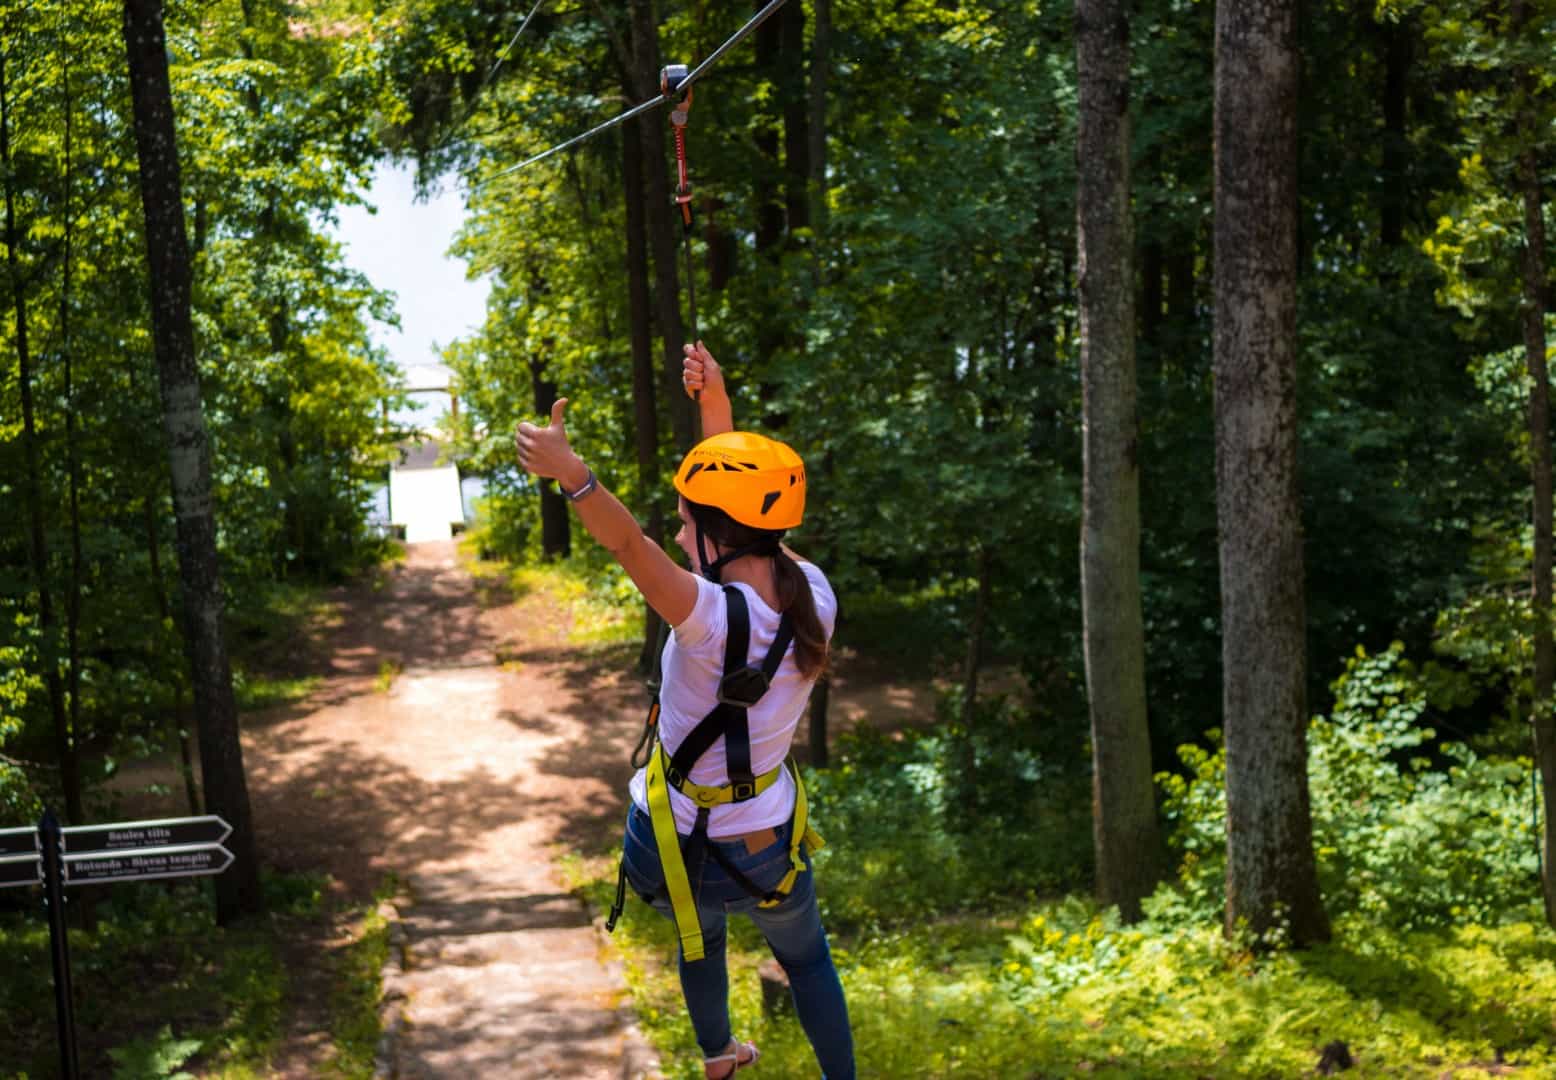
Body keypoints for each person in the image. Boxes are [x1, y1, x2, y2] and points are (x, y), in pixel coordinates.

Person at [514, 342, 855, 1080]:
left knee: (699, 942)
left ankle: (717, 1057)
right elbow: (732, 509)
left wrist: (570, 473)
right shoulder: (813, 592)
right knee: (809, 962)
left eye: (684, 522)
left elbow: (628, 541)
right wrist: (716, 405)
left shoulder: (702, 616)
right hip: (765, 838)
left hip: (673, 839)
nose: (674, 532)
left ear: (717, 535)